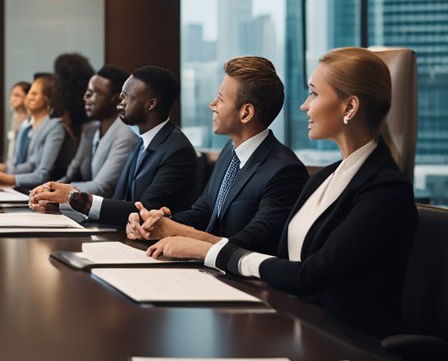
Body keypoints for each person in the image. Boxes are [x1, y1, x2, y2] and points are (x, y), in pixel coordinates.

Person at [153, 48, 417, 339]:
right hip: (295, 323)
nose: (305, 105)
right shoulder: (323, 179)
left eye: (314, 93)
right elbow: (281, 258)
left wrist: (208, 251)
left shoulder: (386, 189)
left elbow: (309, 275)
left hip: (348, 343)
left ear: (349, 107)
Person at [127, 57, 308, 261]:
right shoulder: (229, 152)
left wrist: (178, 232)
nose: (212, 104)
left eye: (221, 99)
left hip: (246, 285)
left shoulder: (284, 171)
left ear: (246, 113)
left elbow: (251, 245)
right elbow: (202, 212)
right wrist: (153, 222)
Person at [31, 65, 197, 225]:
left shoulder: (177, 150)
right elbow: (119, 199)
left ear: (151, 104)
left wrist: (74, 198)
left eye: (126, 97)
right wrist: (60, 203)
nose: (120, 102)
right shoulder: (143, 140)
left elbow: (144, 211)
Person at [33, 65, 137, 200]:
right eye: (87, 91)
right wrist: (48, 188)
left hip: (106, 213)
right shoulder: (91, 129)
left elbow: (102, 187)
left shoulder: (125, 134)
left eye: (95, 92)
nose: (86, 97)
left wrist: (55, 191)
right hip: (82, 206)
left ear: (117, 100)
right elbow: (71, 173)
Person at [0, 74, 69, 190]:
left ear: (47, 98)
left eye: (34, 94)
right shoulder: (34, 126)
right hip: (24, 187)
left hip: (39, 192)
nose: (29, 97)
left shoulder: (55, 127)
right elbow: (30, 165)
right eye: (29, 93)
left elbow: (42, 175)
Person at [4, 80, 30, 161]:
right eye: (11, 95)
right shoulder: (15, 116)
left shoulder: (30, 121)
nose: (12, 99)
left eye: (17, 95)